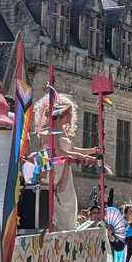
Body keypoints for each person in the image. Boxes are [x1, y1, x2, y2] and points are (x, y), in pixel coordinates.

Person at [32, 94, 101, 232]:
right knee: (60, 205)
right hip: (54, 170)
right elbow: (58, 152)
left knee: (69, 204)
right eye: (70, 113)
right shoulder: (48, 129)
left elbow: (72, 149)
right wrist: (82, 158)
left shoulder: (62, 131)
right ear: (64, 113)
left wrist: (92, 151)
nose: (72, 117)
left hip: (64, 170)